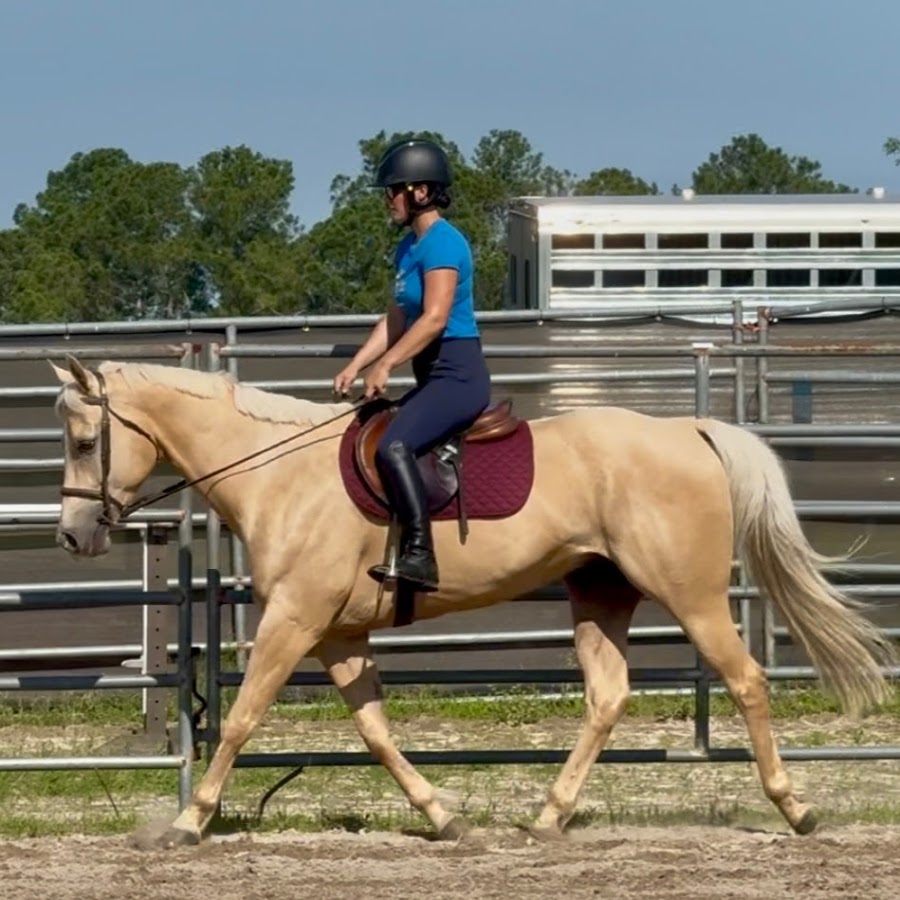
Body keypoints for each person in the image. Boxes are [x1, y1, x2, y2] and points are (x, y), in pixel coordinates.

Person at [333, 138, 491, 591]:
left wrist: (386, 367)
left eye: (393, 190)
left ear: (420, 192)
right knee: (372, 426)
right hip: (430, 375)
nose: (388, 200)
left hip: (457, 375)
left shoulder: (444, 243)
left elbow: (436, 316)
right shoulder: (408, 249)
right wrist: (359, 365)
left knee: (393, 446)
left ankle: (421, 555)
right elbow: (396, 318)